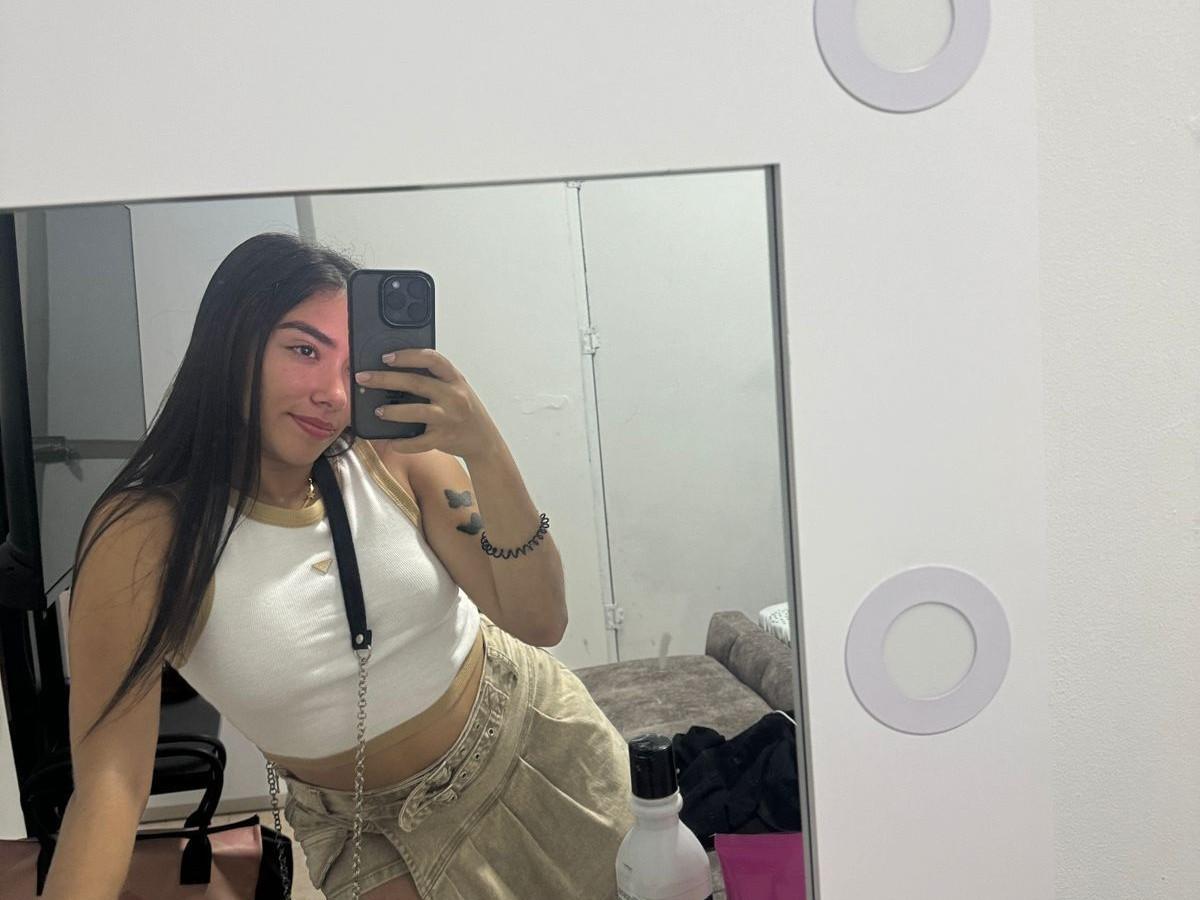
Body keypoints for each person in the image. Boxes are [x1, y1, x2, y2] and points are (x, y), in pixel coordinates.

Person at [43, 232, 635, 900]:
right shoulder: (144, 536)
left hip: (534, 744)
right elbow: (111, 784)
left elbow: (541, 620)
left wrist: (484, 449)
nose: (332, 393)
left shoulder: (390, 456)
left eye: (350, 366)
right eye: (303, 350)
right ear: (231, 345)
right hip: (364, 829)